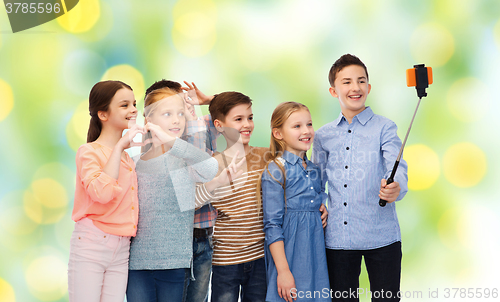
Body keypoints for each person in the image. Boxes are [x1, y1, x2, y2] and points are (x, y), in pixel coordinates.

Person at [312, 54, 408, 302]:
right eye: (346, 82)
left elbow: (397, 166)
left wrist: (396, 187)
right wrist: (318, 204)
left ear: (369, 87)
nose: (355, 87)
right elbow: (316, 181)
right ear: (334, 91)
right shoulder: (323, 136)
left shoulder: (385, 127)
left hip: (381, 236)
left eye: (361, 81)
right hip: (338, 240)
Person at [126, 88, 218, 302]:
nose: (176, 120)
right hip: (137, 265)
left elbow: (210, 168)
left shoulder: (184, 159)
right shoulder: (135, 164)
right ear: (149, 118)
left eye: (180, 114)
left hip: (175, 264)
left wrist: (171, 140)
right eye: (167, 114)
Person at [68, 80, 146, 302]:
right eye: (124, 105)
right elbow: (101, 194)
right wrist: (120, 145)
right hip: (92, 243)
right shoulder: (88, 152)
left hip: (121, 248)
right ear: (103, 114)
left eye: (134, 104)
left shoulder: (127, 158)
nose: (133, 110)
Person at [194, 91, 269, 302]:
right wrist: (211, 102)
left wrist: (319, 202)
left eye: (250, 117)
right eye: (238, 119)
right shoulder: (211, 164)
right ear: (219, 125)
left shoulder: (266, 156)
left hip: (261, 258)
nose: (247, 124)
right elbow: (194, 200)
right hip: (225, 261)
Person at [260, 102, 330, 302]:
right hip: (289, 256)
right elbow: (272, 226)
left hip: (315, 255)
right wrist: (283, 272)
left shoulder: (315, 169)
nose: (306, 131)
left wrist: (321, 207)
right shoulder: (275, 170)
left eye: (309, 124)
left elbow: (314, 200)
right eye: (297, 126)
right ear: (278, 133)